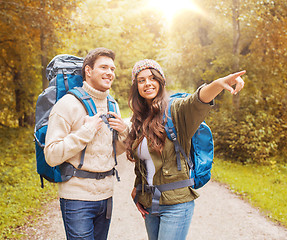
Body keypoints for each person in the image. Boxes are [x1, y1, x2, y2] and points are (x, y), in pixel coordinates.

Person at [126, 59, 245, 240]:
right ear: (136, 87)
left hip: (176, 205)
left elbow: (197, 101)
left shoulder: (176, 111)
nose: (147, 83)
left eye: (152, 78)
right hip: (150, 204)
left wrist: (218, 85)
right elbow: (144, 162)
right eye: (141, 80)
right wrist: (138, 188)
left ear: (161, 81)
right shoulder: (139, 119)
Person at [44, 47, 128, 240]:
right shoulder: (67, 104)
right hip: (77, 199)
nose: (110, 73)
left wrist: (124, 133)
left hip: (106, 197)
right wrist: (86, 131)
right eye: (104, 67)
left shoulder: (112, 105)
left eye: (112, 69)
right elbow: (51, 155)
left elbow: (114, 150)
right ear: (88, 71)